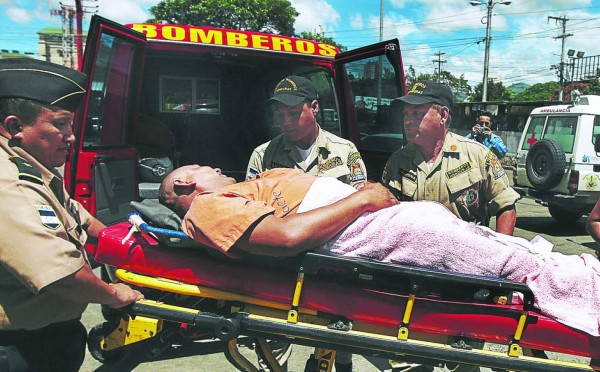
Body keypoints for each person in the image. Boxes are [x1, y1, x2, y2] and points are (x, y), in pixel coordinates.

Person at [159, 165, 600, 342]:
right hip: (386, 230)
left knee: (528, 259)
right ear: (184, 184)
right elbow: (287, 238)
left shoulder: (240, 189)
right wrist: (363, 200)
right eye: (203, 168)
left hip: (399, 224)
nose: (215, 169)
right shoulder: (208, 206)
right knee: (527, 272)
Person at [0, 58, 144, 372]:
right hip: (21, 349)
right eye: (61, 124)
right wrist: (113, 294)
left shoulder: (34, 170)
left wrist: (135, 252)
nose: (71, 136)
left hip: (48, 339)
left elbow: (84, 220)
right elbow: (61, 277)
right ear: (15, 127)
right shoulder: (10, 184)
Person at [382, 81, 519, 236]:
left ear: (443, 115)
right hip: (412, 255)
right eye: (406, 114)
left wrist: (500, 253)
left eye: (417, 113)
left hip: (466, 254)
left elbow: (506, 205)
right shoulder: (397, 161)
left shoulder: (478, 155)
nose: (407, 121)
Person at [246, 75, 367, 188]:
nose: (285, 122)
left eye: (293, 113)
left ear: (314, 108)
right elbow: (252, 202)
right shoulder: (263, 155)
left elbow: (362, 198)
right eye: (280, 115)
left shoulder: (345, 150)